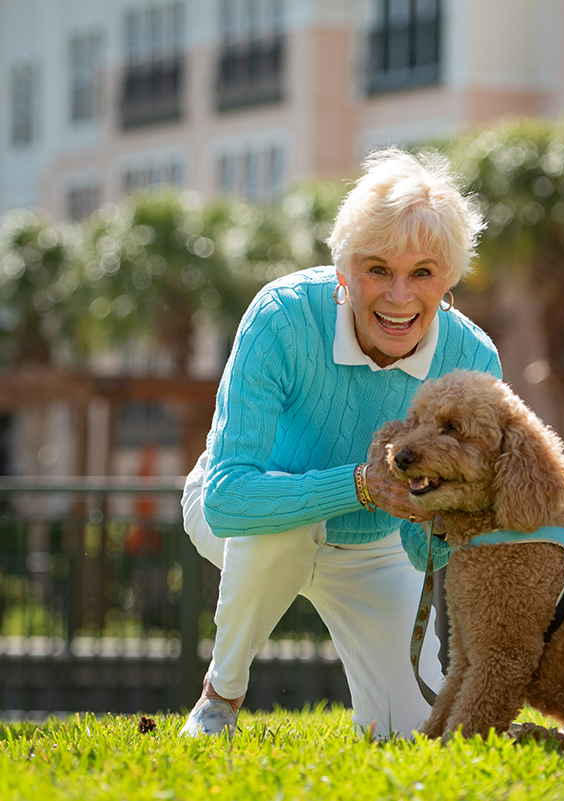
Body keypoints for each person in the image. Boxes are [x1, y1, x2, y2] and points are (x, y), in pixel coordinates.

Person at [179, 148, 502, 739]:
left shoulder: (474, 360)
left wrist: (425, 521)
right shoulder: (280, 316)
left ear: (449, 281)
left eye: (423, 273)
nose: (399, 296)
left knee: (416, 734)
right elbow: (226, 501)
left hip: (373, 545)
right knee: (280, 527)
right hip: (254, 518)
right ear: (345, 271)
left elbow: (444, 539)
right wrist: (359, 484)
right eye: (378, 269)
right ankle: (221, 696)